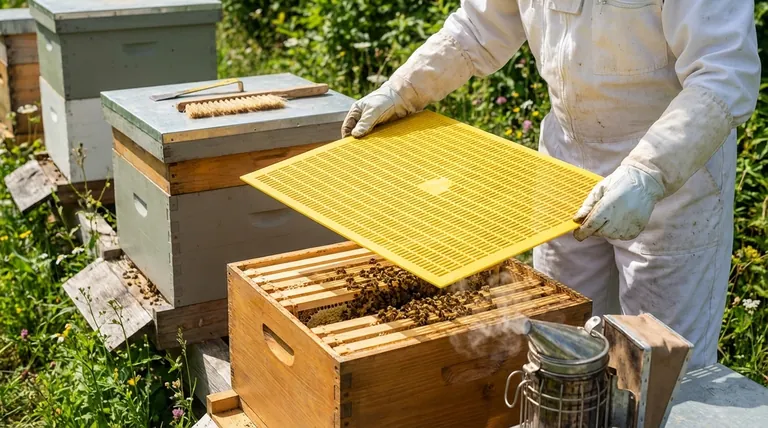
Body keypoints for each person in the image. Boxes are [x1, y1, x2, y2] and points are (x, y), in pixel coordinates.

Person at [340, 0, 760, 369]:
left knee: (658, 365)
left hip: (672, 178)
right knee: (560, 344)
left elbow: (723, 75)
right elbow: (476, 28)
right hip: (566, 167)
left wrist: (649, 173)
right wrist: (402, 90)